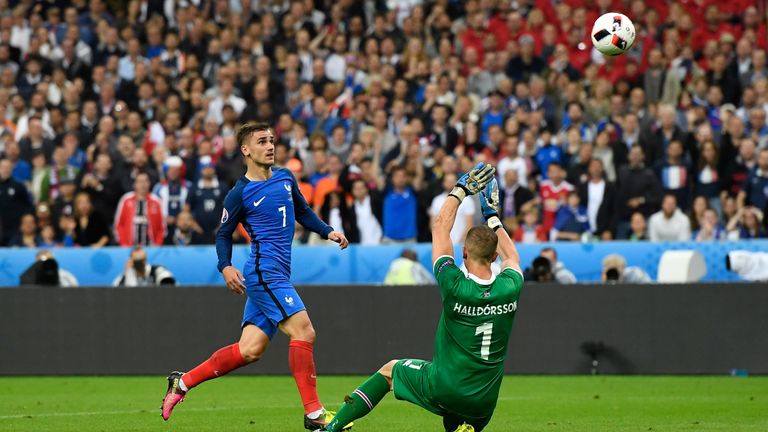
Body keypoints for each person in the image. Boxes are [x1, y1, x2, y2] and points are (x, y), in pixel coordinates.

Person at [161, 122, 351, 431]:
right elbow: (222, 234)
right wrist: (225, 266)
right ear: (246, 150)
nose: (270, 146)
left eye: (272, 140)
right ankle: (314, 415)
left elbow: (302, 212)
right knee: (305, 332)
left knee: (250, 350)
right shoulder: (240, 193)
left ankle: (182, 383)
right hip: (265, 272)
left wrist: (327, 231)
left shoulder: (286, 177)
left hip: (276, 271)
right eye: (262, 141)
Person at [320, 163, 523, 432]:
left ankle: (331, 428)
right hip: (484, 402)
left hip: (446, 387)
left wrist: (460, 189)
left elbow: (440, 228)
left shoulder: (454, 284)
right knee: (456, 421)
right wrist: (493, 217)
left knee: (391, 371)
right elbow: (512, 256)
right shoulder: (510, 286)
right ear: (494, 257)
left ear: (463, 253)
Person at [113, 172, 165, 246]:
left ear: (149, 184)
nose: (143, 184)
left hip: (151, 247)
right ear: (134, 184)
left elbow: (162, 228)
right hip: (129, 248)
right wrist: (123, 244)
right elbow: (118, 225)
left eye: (145, 181)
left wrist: (157, 245)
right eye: (140, 182)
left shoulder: (156, 201)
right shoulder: (125, 200)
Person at [429, 172, 476, 244]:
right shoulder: (436, 200)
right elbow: (433, 224)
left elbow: (469, 225)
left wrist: (459, 243)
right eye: (447, 181)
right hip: (442, 244)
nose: (450, 183)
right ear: (443, 183)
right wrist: (441, 242)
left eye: (452, 181)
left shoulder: (467, 200)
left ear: (457, 182)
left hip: (461, 244)